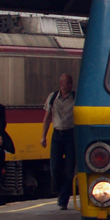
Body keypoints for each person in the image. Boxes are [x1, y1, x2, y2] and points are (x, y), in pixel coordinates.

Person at [41, 73, 76, 210]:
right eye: (67, 83)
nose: (69, 86)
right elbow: (47, 117)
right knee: (54, 168)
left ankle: (63, 200)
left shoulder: (75, 97)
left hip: (71, 135)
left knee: (69, 169)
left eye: (70, 83)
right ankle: (62, 192)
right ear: (61, 83)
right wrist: (43, 136)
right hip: (57, 134)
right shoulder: (52, 97)